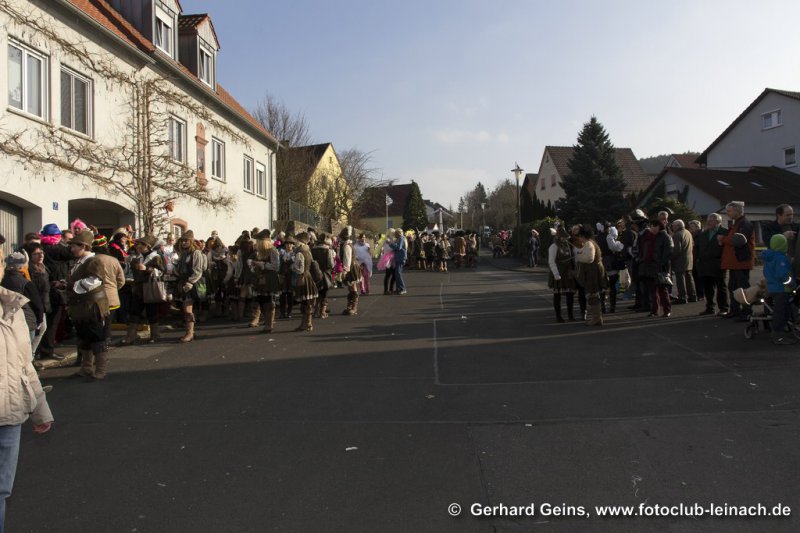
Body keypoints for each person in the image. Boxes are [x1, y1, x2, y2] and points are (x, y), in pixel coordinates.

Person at [0, 252, 53, 531]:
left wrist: (40, 409)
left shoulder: (12, 306)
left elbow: (23, 362)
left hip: (9, 415)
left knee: (1, 491)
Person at [66, 231, 113, 379]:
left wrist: (71, 285)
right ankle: (86, 368)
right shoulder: (80, 262)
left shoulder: (93, 261)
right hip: (80, 307)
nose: (72, 249)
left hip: (93, 307)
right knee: (84, 338)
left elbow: (95, 280)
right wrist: (63, 283)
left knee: (97, 338)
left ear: (83, 246)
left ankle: (100, 370)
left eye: (74, 246)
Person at [118, 235, 164, 345]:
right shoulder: (138, 257)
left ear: (146, 246)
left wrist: (147, 269)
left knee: (151, 312)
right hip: (138, 288)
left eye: (139, 244)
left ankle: (155, 335)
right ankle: (131, 336)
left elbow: (162, 272)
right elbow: (130, 270)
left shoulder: (155, 257)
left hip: (150, 288)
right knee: (134, 312)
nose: (136, 246)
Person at [718, 201, 755, 320]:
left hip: (741, 261)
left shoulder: (744, 224)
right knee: (733, 287)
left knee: (742, 288)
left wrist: (723, 239)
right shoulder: (738, 224)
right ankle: (735, 310)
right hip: (735, 262)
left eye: (729, 211)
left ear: (737, 211)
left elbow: (738, 241)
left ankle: (747, 311)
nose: (727, 213)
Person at [1, 252, 44, 346]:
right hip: (26, 321)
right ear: (21, 266)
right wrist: (40, 319)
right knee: (26, 349)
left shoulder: (2, 281)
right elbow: (37, 304)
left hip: (6, 320)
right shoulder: (26, 283)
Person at [762, 234, 796, 345]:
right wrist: (791, 283)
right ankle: (778, 336)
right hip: (781, 289)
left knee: (779, 311)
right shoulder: (781, 258)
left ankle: (779, 333)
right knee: (781, 312)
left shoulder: (769, 257)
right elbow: (782, 275)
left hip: (772, 287)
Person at [173, 230, 204, 342]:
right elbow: (179, 270)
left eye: (186, 241)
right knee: (185, 308)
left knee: (187, 308)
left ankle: (190, 333)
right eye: (182, 241)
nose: (183, 243)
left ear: (191, 241)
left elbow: (198, 270)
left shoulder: (196, 253)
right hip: (182, 282)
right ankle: (191, 332)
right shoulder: (183, 253)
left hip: (191, 283)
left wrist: (191, 282)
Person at [248, 230, 281, 333]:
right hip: (261, 278)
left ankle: (268, 325)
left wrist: (261, 264)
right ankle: (265, 322)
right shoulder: (260, 252)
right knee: (261, 301)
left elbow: (276, 266)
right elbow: (256, 267)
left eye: (258, 241)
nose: (256, 244)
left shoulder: (273, 250)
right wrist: (253, 266)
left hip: (270, 279)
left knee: (268, 302)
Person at [573, 226, 607, 326]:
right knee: (594, 294)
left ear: (583, 236)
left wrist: (578, 256)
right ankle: (597, 317)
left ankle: (596, 318)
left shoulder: (589, 244)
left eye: (579, 236)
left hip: (592, 272)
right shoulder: (591, 243)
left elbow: (589, 258)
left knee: (592, 294)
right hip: (593, 271)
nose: (579, 238)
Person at [696, 213, 729, 316]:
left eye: (711, 220)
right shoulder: (704, 233)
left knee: (721, 287)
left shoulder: (725, 232)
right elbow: (698, 247)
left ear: (718, 222)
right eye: (708, 220)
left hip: (718, 263)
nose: (709, 222)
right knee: (708, 288)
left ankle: (723, 308)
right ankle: (710, 307)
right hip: (704, 264)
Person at [547, 226, 576, 322]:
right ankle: (558, 316)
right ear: (559, 237)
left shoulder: (567, 245)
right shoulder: (553, 246)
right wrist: (556, 274)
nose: (565, 238)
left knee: (570, 294)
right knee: (557, 295)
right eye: (563, 237)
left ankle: (570, 315)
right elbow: (551, 261)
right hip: (558, 272)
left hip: (567, 273)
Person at [291, 232, 319, 332]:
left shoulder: (299, 253)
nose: (294, 242)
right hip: (308, 276)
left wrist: (291, 266)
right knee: (307, 302)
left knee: (305, 302)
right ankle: (307, 323)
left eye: (296, 240)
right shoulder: (308, 251)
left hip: (302, 278)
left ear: (300, 241)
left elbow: (300, 269)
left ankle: (306, 324)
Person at [671, 219, 697, 304]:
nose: (672, 227)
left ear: (678, 226)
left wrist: (671, 258)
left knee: (680, 279)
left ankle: (682, 297)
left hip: (680, 260)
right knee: (689, 278)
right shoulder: (688, 232)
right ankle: (692, 295)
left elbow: (677, 250)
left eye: (673, 226)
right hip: (689, 259)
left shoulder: (677, 235)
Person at [311, 234, 335, 319]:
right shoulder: (328, 251)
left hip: (315, 274)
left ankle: (315, 311)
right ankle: (322, 312)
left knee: (317, 293)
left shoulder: (312, 250)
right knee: (324, 293)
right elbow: (331, 264)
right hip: (325, 274)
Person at [339, 227, 362, 314]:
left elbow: (347, 259)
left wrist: (345, 271)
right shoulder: (345, 245)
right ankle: (350, 306)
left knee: (353, 287)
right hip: (350, 268)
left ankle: (354, 307)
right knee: (350, 287)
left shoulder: (347, 246)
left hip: (351, 268)